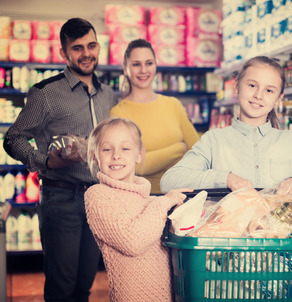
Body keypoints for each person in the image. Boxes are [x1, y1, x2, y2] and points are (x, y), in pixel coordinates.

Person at [3, 18, 118, 301]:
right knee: (61, 286)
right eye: (77, 48)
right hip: (61, 197)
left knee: (84, 284)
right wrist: (45, 161)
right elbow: (13, 138)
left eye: (91, 45)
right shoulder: (46, 94)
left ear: (98, 47)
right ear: (63, 53)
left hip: (98, 199)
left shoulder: (107, 95)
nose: (86, 53)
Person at [160, 56, 292, 198]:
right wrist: (224, 178)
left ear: (279, 98)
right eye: (252, 85)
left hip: (280, 242)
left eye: (269, 90)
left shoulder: (290, 142)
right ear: (236, 87)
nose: (258, 95)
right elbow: (169, 181)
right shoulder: (214, 140)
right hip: (228, 243)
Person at [84, 117, 190, 301]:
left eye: (125, 148)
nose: (116, 155)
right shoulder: (98, 196)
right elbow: (132, 242)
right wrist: (164, 202)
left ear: (139, 154)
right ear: (94, 156)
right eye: (107, 149)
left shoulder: (149, 201)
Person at [110, 39, 200, 194]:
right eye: (136, 64)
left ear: (155, 65)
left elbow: (198, 149)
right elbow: (135, 165)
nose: (144, 70)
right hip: (143, 199)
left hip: (182, 196)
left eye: (149, 63)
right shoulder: (119, 114)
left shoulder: (173, 104)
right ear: (126, 69)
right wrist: (180, 148)